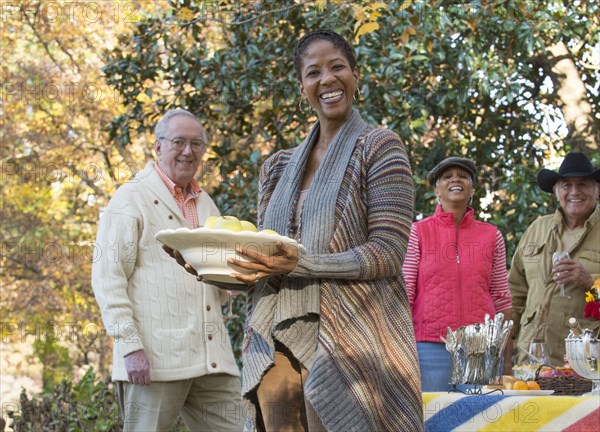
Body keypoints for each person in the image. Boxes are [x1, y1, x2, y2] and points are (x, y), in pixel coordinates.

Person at [225, 29, 422, 431]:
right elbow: (269, 257)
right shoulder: (277, 167)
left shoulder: (379, 147)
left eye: (337, 67)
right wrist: (227, 270)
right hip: (273, 341)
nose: (327, 80)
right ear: (303, 87)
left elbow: (386, 254)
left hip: (348, 343)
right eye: (313, 72)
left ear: (355, 75)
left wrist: (300, 263)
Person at [91, 109, 244, 431]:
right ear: (158, 147)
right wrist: (130, 346)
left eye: (196, 144)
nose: (188, 151)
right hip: (153, 361)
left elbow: (214, 277)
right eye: (179, 142)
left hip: (213, 360)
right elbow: (108, 279)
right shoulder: (130, 199)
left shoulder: (206, 205)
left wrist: (236, 279)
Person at [402, 156, 513, 392]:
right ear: (437, 190)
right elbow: (405, 292)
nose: (455, 179)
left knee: (482, 422)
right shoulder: (417, 232)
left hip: (481, 346)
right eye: (447, 176)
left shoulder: (492, 236)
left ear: (472, 189)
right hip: (429, 346)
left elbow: (501, 297)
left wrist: (507, 355)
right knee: (432, 421)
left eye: (463, 176)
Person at [509, 152, 600, 366]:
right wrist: (506, 346)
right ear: (556, 192)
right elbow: (514, 292)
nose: (574, 192)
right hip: (529, 360)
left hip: (586, 362)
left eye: (583, 184)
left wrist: (590, 282)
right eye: (566, 185)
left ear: (597, 191)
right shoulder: (537, 228)